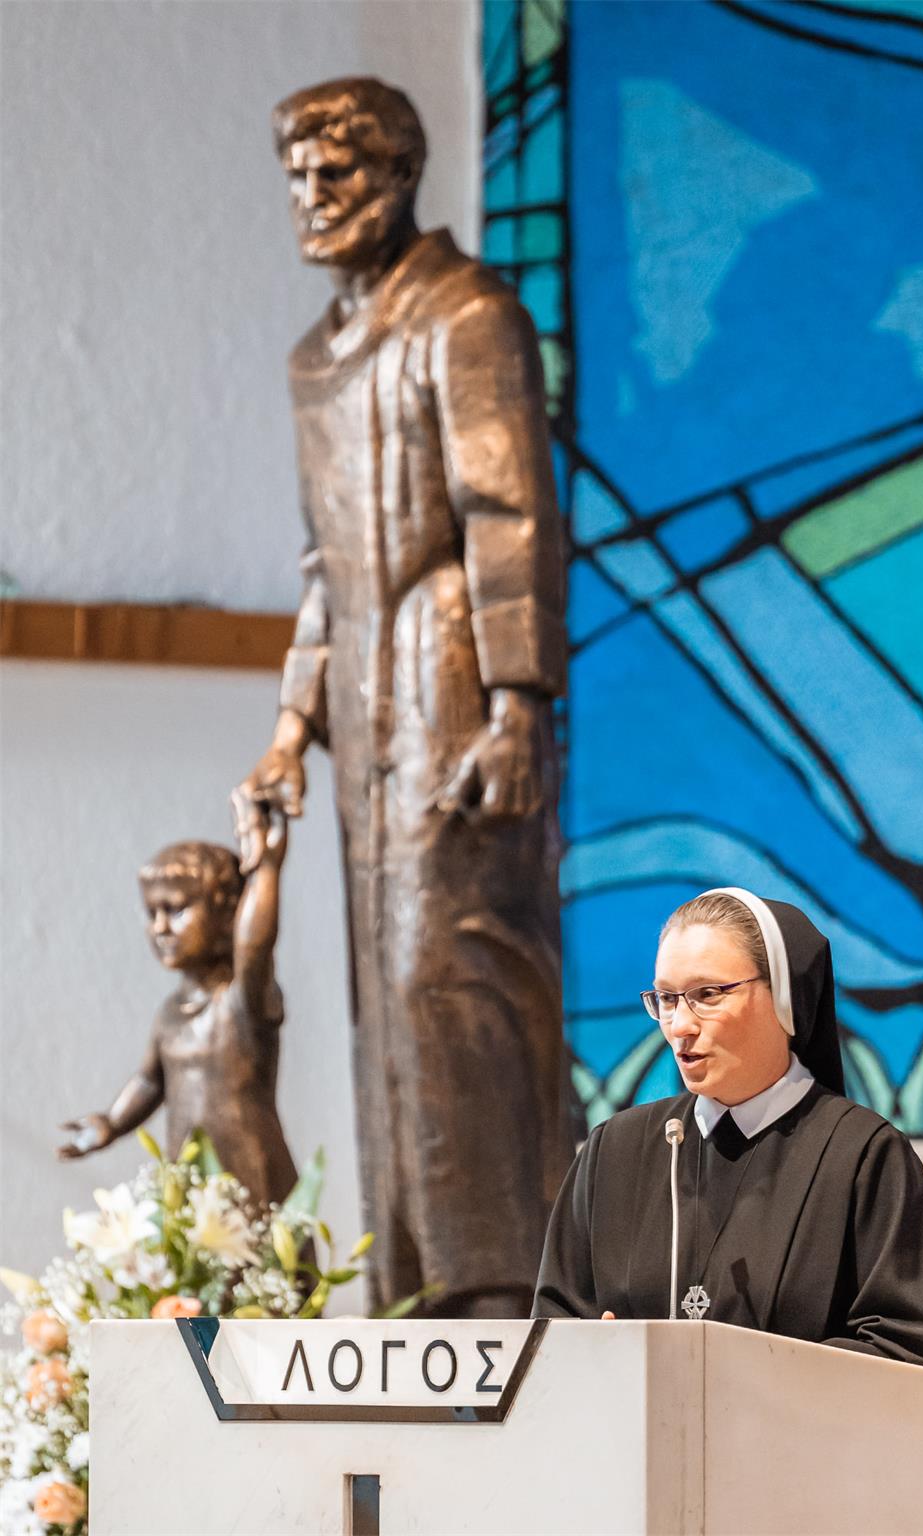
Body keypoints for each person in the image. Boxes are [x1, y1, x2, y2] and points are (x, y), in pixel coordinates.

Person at [232, 78, 573, 1318]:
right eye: (297, 178)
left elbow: (510, 515)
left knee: (456, 966)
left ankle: (505, 1283)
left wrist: (519, 702)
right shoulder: (316, 358)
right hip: (367, 705)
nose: (312, 198)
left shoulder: (469, 315)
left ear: (398, 175)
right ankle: (414, 1279)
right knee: (383, 990)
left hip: (454, 686)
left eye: (337, 174)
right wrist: (290, 731)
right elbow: (322, 569)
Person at [533, 887, 923, 1370]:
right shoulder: (614, 1152)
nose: (680, 1025)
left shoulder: (864, 1157)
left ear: (785, 999)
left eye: (708, 995)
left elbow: (905, 1357)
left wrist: (731, 1372)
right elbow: (549, 1340)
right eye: (666, 998)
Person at [57, 812, 299, 1207]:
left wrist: (267, 869)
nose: (160, 927)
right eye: (151, 913)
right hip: (190, 1186)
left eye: (176, 910)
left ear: (228, 916)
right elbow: (150, 1081)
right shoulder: (170, 1013)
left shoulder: (243, 1001)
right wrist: (113, 1122)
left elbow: (255, 948)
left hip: (253, 1179)